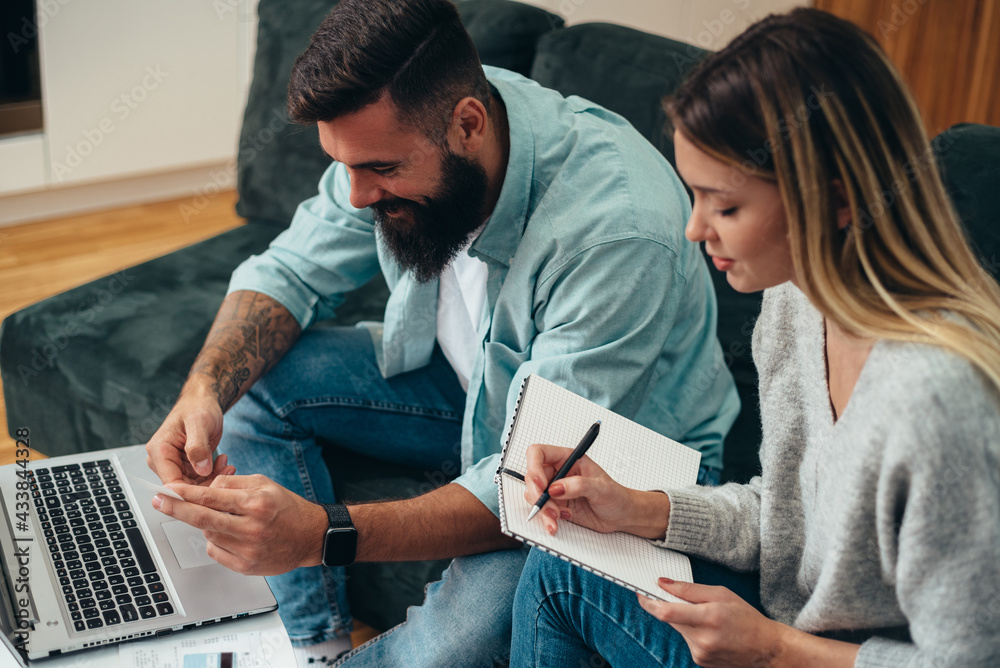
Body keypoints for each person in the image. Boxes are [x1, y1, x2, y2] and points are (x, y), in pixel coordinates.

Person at [144, 0, 739, 665]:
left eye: (381, 170)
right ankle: (312, 646)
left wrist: (322, 533)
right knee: (252, 380)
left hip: (608, 472)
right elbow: (290, 268)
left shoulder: (614, 228)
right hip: (474, 390)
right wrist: (201, 392)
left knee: (457, 637)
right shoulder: (411, 137)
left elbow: (531, 479)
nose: (358, 195)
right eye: (344, 165)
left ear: (467, 126)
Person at [510, 8, 1000, 667]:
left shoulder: (933, 400)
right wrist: (636, 510)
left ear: (836, 198)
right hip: (791, 632)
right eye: (695, 196)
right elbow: (786, 519)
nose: (694, 229)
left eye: (726, 205)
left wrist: (773, 648)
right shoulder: (795, 300)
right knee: (557, 572)